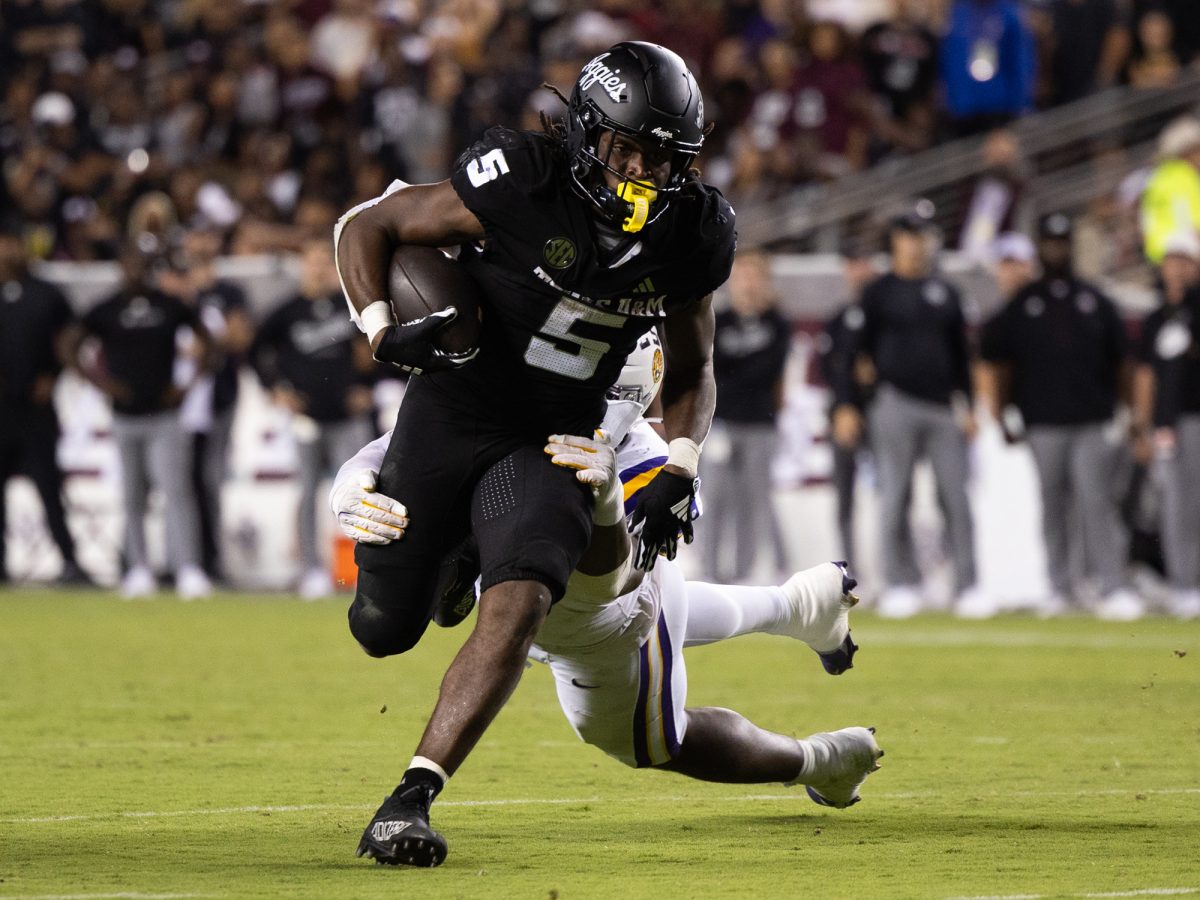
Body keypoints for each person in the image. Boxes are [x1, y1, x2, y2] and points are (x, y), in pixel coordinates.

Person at [333, 42, 736, 866]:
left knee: (518, 605)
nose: (641, 172)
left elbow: (693, 369)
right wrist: (380, 329)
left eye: (662, 157)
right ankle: (447, 561)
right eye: (626, 148)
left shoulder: (691, 234)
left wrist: (683, 462)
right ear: (588, 135)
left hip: (554, 437)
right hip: (456, 405)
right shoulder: (520, 177)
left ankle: (411, 796)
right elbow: (371, 225)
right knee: (381, 629)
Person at [329, 342, 882, 865]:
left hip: (608, 621)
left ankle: (825, 760)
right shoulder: (520, 393)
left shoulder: (647, 459)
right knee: (481, 597)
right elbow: (433, 432)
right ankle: (798, 605)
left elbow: (617, 582)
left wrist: (606, 504)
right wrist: (356, 474)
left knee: (654, 742)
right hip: (540, 608)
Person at [979, 212, 1142, 620]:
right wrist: (999, 417)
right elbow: (995, 360)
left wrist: (1129, 412)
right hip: (1041, 423)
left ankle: (1113, 585)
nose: (1056, 249)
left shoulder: (1094, 299)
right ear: (1040, 248)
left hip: (1090, 420)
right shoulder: (1021, 303)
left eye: (1061, 242)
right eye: (1049, 243)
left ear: (1070, 246)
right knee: (1052, 506)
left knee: (1097, 504)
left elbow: (1124, 361)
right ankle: (1059, 587)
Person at [831, 203, 983, 619]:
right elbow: (852, 354)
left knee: (956, 496)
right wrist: (847, 404)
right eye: (908, 235)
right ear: (896, 240)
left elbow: (961, 357)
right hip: (893, 403)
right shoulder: (878, 292)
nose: (916, 244)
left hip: (942, 406)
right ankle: (899, 582)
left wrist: (969, 405)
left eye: (922, 235)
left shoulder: (946, 292)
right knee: (895, 496)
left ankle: (968, 585)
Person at [65, 239, 213, 599]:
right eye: (129, 262)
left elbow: (208, 341)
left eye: (140, 263)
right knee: (132, 494)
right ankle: (138, 568)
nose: (134, 270)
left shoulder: (170, 305)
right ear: (120, 267)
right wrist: (100, 384)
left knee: (176, 491)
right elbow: (71, 345)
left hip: (164, 414)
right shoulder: (106, 309)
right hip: (124, 415)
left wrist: (189, 384)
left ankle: (188, 568)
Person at [250, 235, 377, 599]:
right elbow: (257, 351)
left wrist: (366, 383)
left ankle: (365, 572)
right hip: (306, 417)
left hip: (346, 416)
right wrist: (275, 389)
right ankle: (311, 571)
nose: (319, 267)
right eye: (314, 260)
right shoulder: (287, 311)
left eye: (326, 260)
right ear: (303, 265)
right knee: (307, 492)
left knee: (362, 492)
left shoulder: (349, 306)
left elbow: (376, 348)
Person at [0, 218, 93, 586]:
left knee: (49, 486)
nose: (7, 252)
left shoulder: (46, 294)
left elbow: (71, 338)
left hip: (37, 407)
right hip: (2, 410)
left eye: (12, 244)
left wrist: (53, 375)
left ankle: (70, 561)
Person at [160, 226, 255, 583]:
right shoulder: (173, 297)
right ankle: (179, 560)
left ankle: (210, 559)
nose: (199, 242)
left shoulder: (227, 291)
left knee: (209, 481)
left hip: (218, 400)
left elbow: (241, 336)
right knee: (176, 483)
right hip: (175, 403)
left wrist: (210, 340)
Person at [702, 250, 791, 583]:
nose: (748, 283)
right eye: (741, 275)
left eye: (754, 275)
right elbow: (709, 369)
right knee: (714, 498)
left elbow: (770, 369)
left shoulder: (777, 322)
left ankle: (743, 573)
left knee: (754, 502)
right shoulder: (717, 319)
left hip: (759, 423)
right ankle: (710, 572)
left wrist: (733, 371)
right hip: (720, 423)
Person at [1131, 231, 1200, 618]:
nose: (1175, 268)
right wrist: (1143, 425)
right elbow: (1145, 375)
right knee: (1176, 506)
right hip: (1170, 424)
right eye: (1170, 260)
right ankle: (1184, 584)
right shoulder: (1157, 317)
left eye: (1183, 261)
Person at [818, 238, 877, 564]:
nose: (858, 270)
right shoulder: (838, 319)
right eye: (852, 263)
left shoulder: (886, 315)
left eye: (863, 261)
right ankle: (848, 567)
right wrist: (844, 406)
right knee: (844, 498)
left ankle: (896, 573)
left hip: (881, 413)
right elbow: (831, 369)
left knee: (894, 495)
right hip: (843, 415)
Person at [1140, 116, 1200, 265]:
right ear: (1185, 152)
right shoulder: (1183, 175)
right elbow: (1186, 217)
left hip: (1159, 253)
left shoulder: (1156, 178)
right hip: (1183, 250)